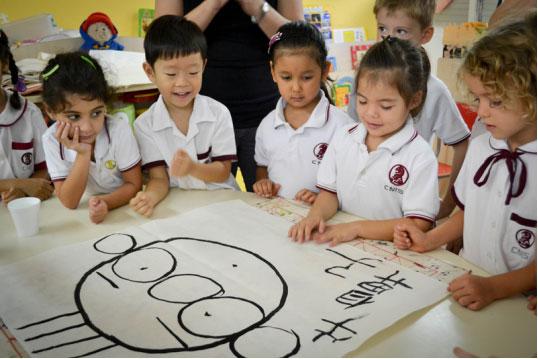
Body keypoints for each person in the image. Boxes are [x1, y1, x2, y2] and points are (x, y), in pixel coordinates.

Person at [394, 14, 537, 311]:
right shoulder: (482, 146)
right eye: (477, 98)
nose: (481, 111)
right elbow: (466, 213)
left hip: (519, 303)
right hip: (472, 285)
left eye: (494, 101)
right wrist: (429, 239)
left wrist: (494, 288)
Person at [288, 37, 439, 245]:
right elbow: (330, 194)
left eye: (385, 106)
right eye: (362, 101)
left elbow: (418, 222)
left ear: (414, 100)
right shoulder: (344, 136)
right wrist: (315, 216)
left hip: (386, 254)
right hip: (343, 244)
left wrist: (356, 228)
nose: (370, 113)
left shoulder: (420, 156)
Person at [154, 0, 304, 192]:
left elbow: (300, 41)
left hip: (269, 115)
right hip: (199, 118)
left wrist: (258, 7)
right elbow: (161, 42)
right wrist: (213, 4)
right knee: (207, 211)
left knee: (276, 204)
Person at [347, 0, 470, 220]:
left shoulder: (435, 90)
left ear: (426, 35)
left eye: (401, 31)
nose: (389, 39)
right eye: (382, 29)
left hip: (410, 207)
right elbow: (350, 136)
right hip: (360, 202)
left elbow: (462, 145)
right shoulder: (364, 80)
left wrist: (450, 203)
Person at [130, 16, 238, 217]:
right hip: (179, 206)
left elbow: (223, 172)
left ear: (203, 66)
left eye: (193, 72)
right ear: (150, 71)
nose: (182, 83)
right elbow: (159, 179)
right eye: (171, 74)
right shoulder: (144, 125)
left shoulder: (218, 113)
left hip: (221, 199)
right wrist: (149, 198)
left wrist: (192, 168)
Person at [253, 21, 354, 204]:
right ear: (273, 72)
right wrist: (262, 183)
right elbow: (263, 166)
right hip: (278, 216)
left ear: (324, 71)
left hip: (324, 221)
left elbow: (352, 180)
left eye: (307, 77)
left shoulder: (342, 125)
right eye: (286, 77)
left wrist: (324, 199)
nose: (296, 87)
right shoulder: (267, 125)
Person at [41, 52, 142, 224]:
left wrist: (106, 203)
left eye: (96, 113)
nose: (87, 128)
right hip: (81, 214)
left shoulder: (118, 129)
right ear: (50, 111)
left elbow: (134, 184)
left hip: (123, 207)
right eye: (74, 117)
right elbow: (69, 202)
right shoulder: (51, 140)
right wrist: (83, 154)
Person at [0, 30, 54, 204]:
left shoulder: (28, 112)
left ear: (4, 63)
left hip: (27, 209)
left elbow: (45, 168)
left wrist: (24, 192)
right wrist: (19, 184)